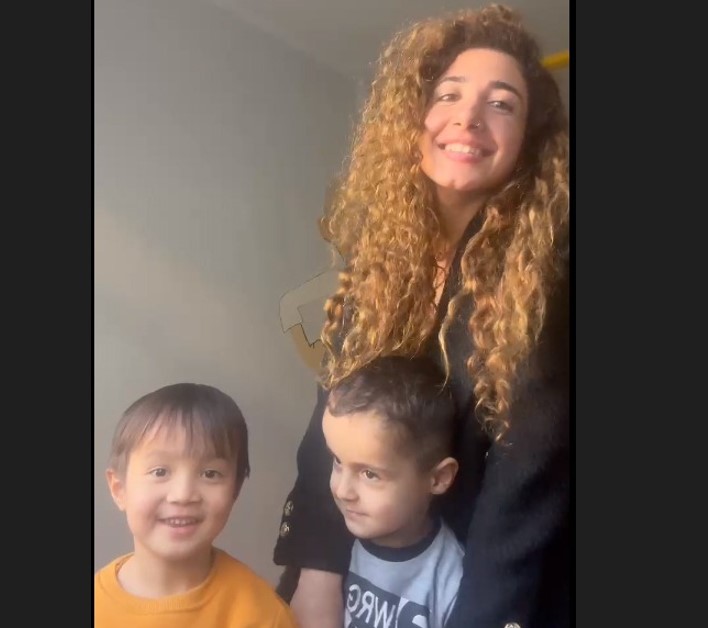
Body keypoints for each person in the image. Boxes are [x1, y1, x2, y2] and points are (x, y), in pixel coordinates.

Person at [273, 4, 569, 628]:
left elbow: (528, 481)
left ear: (528, 141)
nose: (468, 117)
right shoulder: (381, 258)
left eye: (502, 103)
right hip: (364, 571)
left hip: (489, 587)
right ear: (415, 117)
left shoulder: (548, 281)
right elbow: (334, 416)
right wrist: (317, 571)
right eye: (449, 94)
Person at [95, 383, 298, 628]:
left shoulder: (262, 615)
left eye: (210, 474)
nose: (183, 495)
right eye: (160, 471)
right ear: (119, 489)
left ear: (235, 490)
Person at [322, 355, 465, 628]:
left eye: (369, 474)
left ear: (438, 479)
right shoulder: (335, 543)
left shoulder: (452, 579)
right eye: (337, 461)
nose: (342, 490)